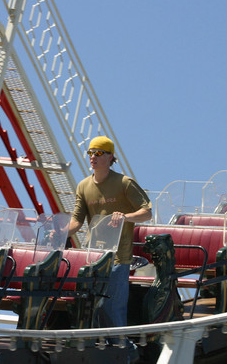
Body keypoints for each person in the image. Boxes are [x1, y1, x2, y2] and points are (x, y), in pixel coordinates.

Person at [67, 136, 152, 330]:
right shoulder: (83, 186)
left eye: (98, 153)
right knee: (89, 307)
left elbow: (147, 212)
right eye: (90, 152)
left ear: (110, 156)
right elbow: (77, 221)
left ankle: (121, 349)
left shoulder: (124, 183)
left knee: (111, 307)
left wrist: (125, 217)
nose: (93, 157)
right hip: (93, 256)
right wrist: (60, 232)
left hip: (118, 257)